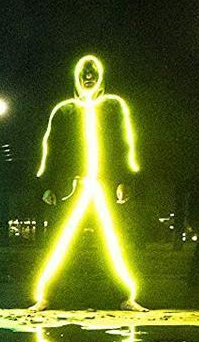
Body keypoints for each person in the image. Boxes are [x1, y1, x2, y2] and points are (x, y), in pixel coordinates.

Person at [30, 54, 145, 312]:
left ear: (101, 76)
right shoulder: (64, 111)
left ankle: (125, 296)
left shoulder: (113, 106)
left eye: (93, 72)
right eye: (84, 73)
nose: (89, 77)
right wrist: (47, 185)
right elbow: (52, 150)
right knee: (59, 244)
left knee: (114, 244)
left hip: (104, 186)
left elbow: (123, 145)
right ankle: (46, 295)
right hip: (74, 187)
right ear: (77, 78)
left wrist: (125, 180)